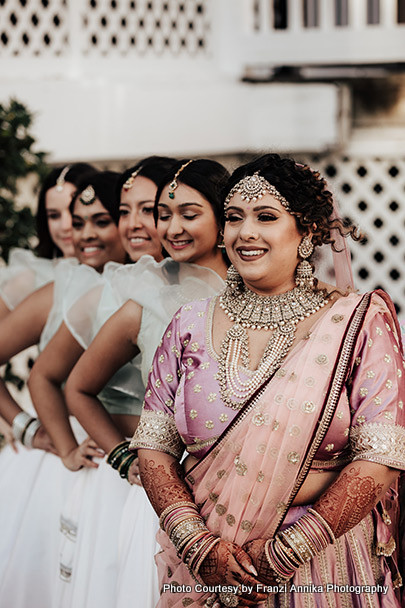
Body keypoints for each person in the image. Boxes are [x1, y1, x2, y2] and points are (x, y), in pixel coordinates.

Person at [131, 153, 405, 608]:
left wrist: (285, 553)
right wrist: (196, 543)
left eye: (267, 217)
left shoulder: (356, 322)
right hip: (209, 571)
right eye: (235, 218)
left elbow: (382, 455)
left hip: (322, 568)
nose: (246, 233)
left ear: (306, 233)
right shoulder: (189, 323)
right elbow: (153, 445)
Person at [64, 158, 229, 608]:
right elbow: (78, 387)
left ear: (222, 215)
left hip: (244, 493)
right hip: (166, 498)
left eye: (188, 215)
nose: (171, 228)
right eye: (164, 214)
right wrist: (124, 458)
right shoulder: (148, 296)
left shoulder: (258, 291)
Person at [27, 156, 176, 608]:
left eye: (147, 211)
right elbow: (55, 380)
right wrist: (59, 442)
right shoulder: (114, 293)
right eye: (125, 211)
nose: (134, 224)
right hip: (123, 472)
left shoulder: (212, 287)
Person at [0, 170, 127, 608]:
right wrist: (26, 428)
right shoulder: (59, 288)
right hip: (67, 452)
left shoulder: (150, 286)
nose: (75, 230)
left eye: (102, 218)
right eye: (71, 219)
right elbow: (45, 377)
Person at [0, 163, 96, 446]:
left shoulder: (127, 277)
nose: (66, 225)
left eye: (74, 211)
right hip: (66, 437)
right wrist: (24, 427)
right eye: (54, 215)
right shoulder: (31, 280)